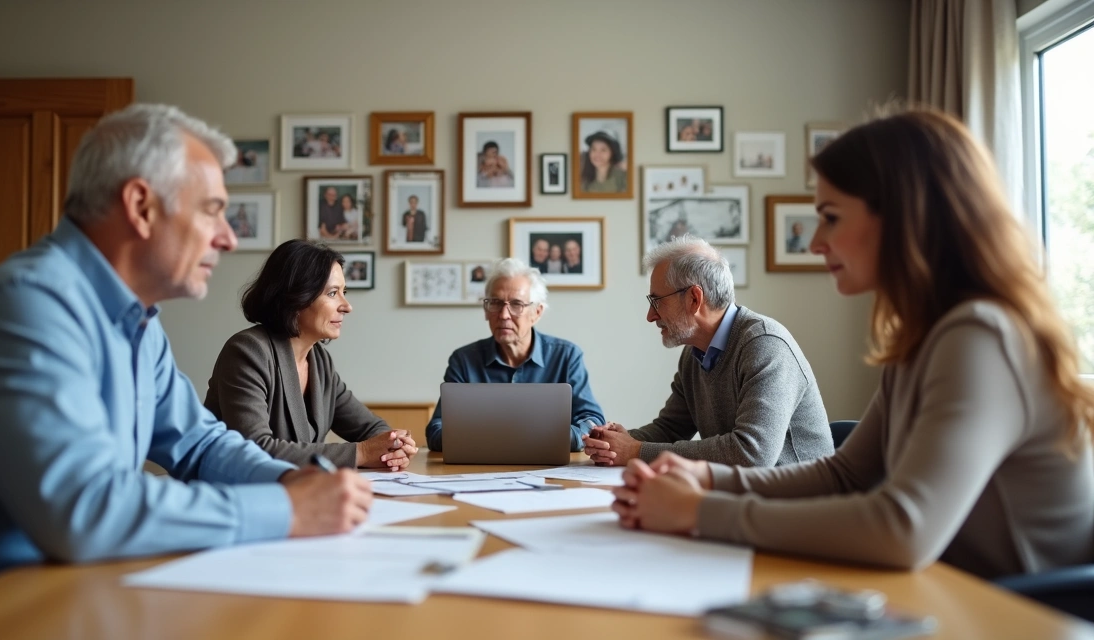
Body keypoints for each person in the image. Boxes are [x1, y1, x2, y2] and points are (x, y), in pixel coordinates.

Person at [0, 104, 373, 611]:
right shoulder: (26, 305)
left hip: (58, 590)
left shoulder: (138, 322)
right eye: (211, 210)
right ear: (140, 206)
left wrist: (291, 480)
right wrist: (283, 509)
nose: (228, 236)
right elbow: (84, 511)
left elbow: (200, 445)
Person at [612, 109, 1094, 580]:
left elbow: (903, 528)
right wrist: (709, 480)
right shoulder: (924, 337)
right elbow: (844, 475)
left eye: (831, 217)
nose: (815, 241)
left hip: (1018, 613)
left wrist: (701, 512)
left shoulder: (980, 337)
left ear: (906, 215)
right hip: (953, 592)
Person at [584, 235, 832, 468]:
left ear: (694, 298)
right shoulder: (695, 353)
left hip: (800, 502)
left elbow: (752, 453)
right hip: (747, 497)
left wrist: (636, 451)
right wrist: (613, 442)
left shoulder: (765, 344)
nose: (651, 316)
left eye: (657, 301)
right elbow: (671, 428)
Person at [205, 240, 416, 469]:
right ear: (296, 297)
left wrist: (395, 445)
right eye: (333, 293)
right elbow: (255, 449)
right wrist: (363, 452)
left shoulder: (319, 361)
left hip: (293, 494)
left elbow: (370, 428)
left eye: (343, 292)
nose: (347, 306)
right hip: (230, 495)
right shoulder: (248, 351)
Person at [426, 258, 605, 451]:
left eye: (516, 304)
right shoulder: (464, 360)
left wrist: (547, 437)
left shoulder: (566, 356)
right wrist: (512, 436)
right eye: (495, 303)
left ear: (537, 312)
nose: (503, 314)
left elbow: (592, 421)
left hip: (548, 469)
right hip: (479, 471)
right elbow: (437, 430)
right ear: (486, 310)